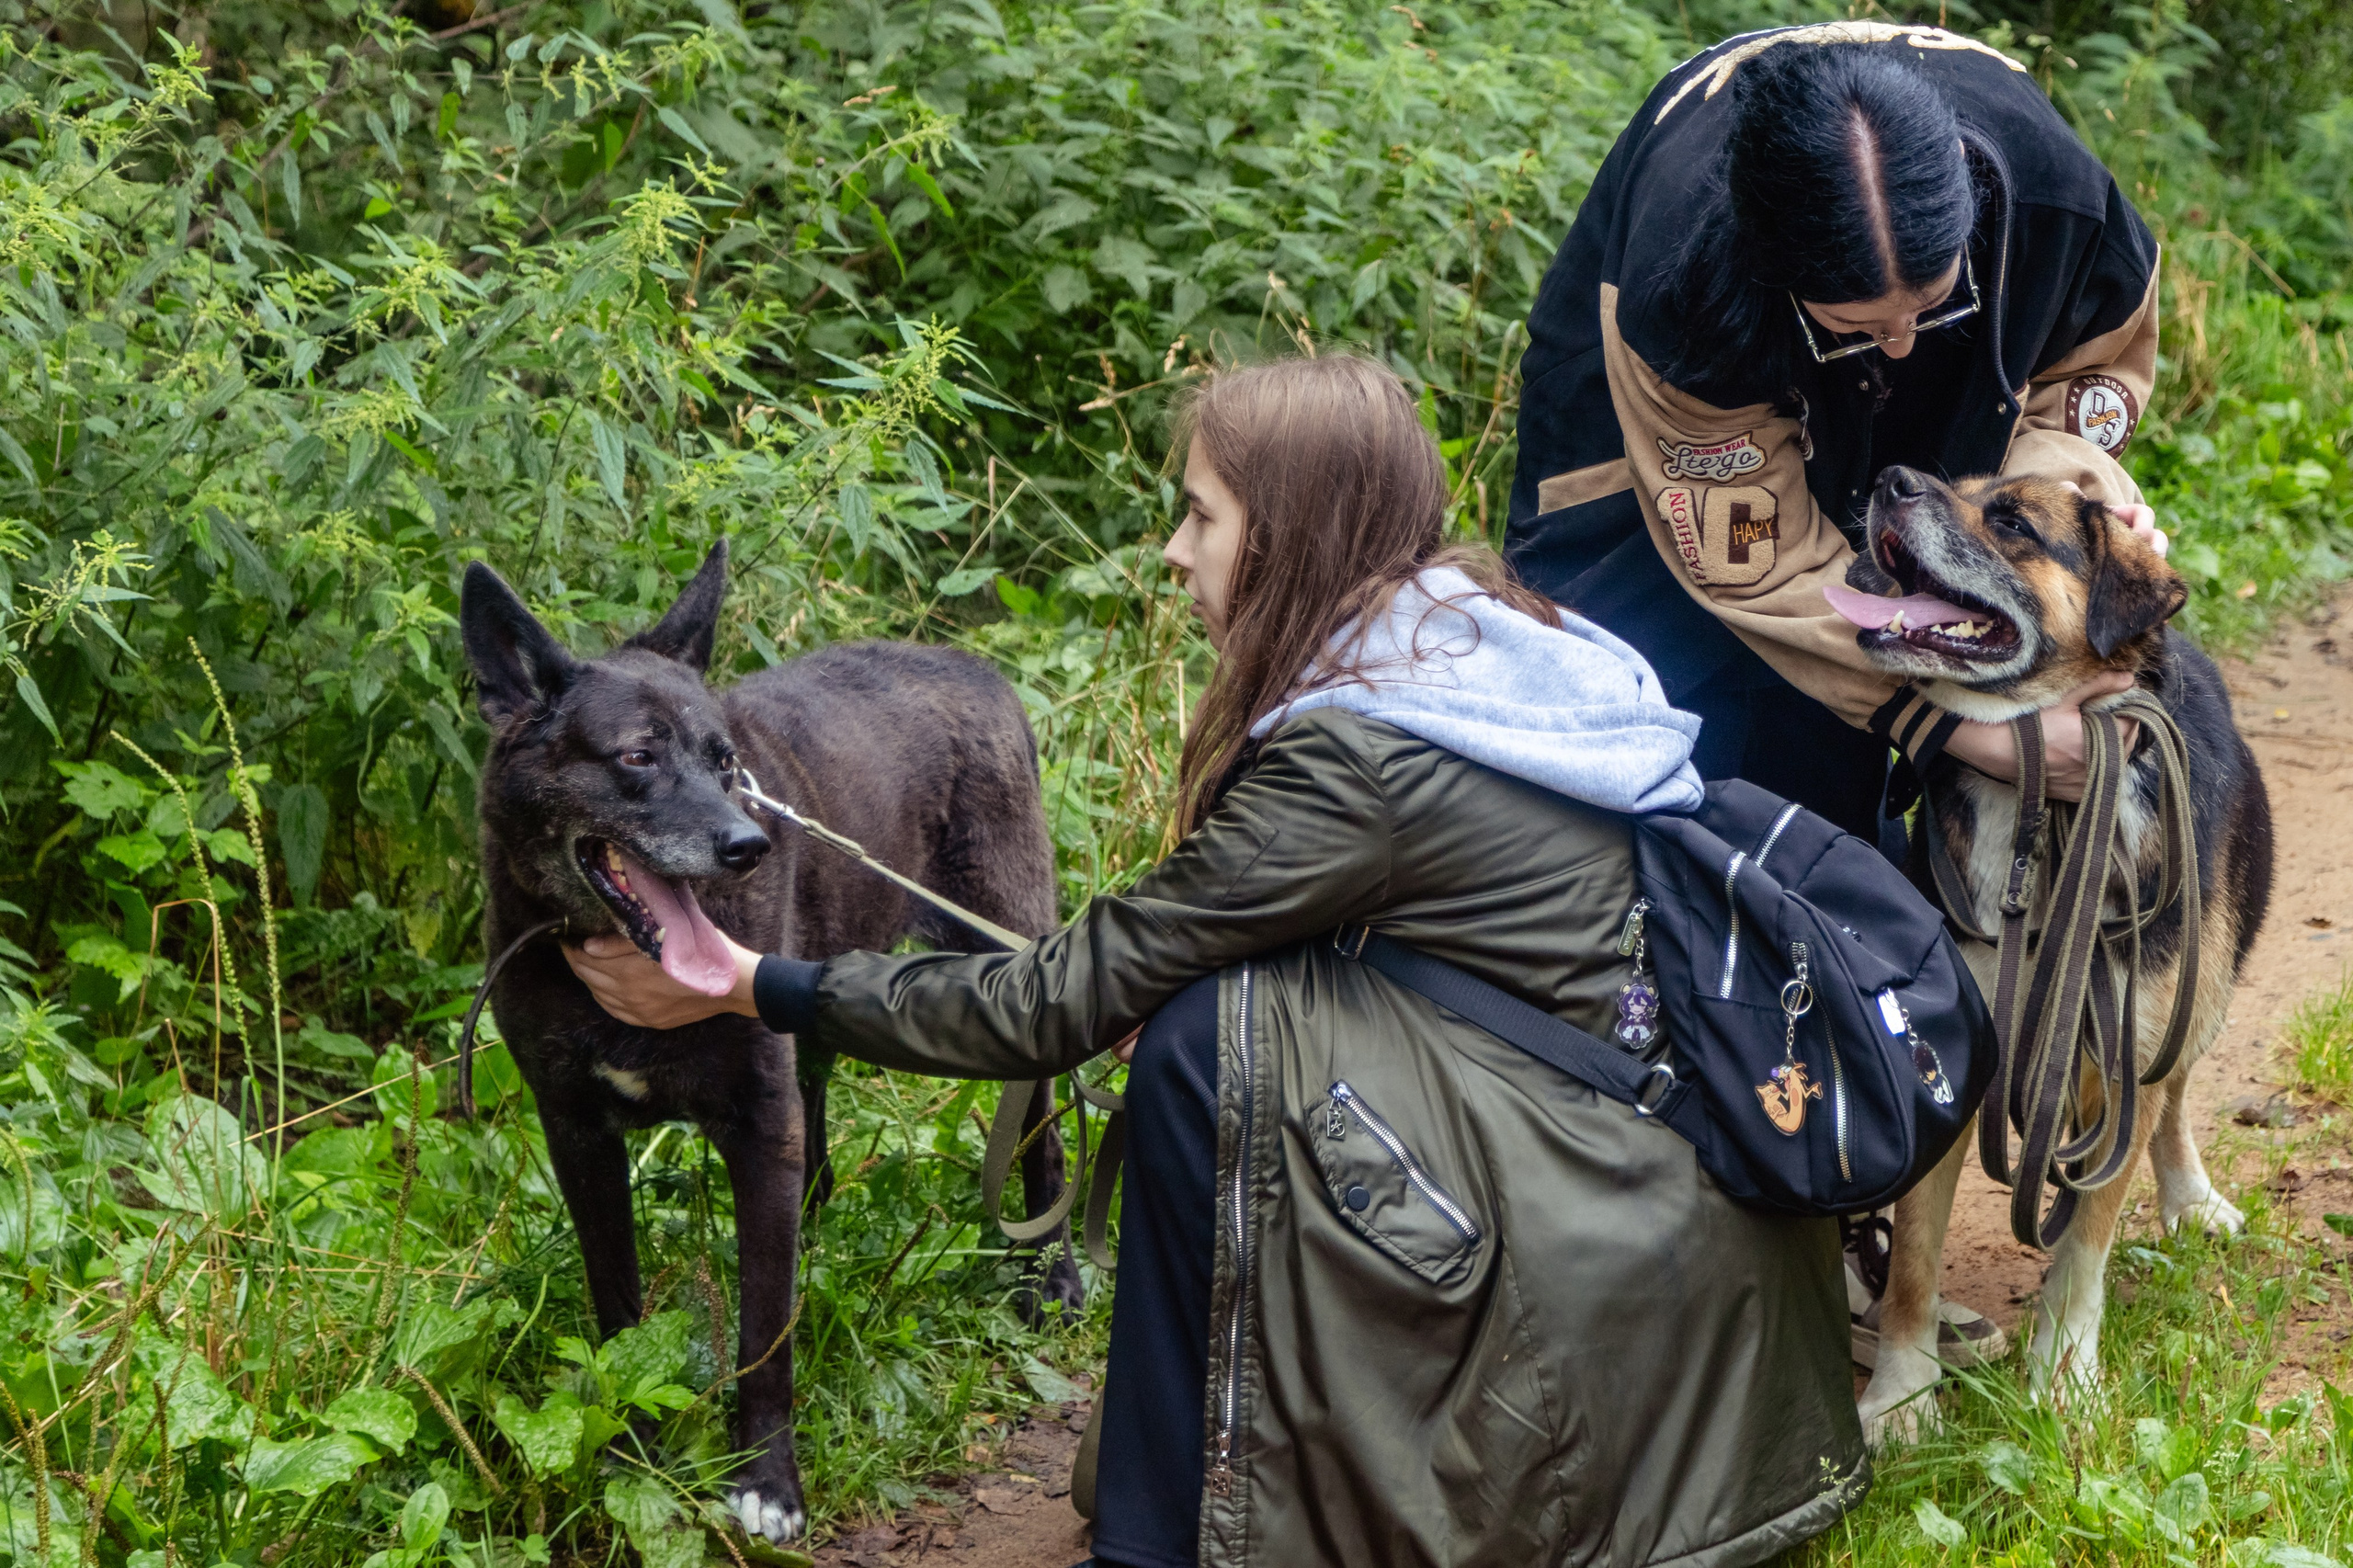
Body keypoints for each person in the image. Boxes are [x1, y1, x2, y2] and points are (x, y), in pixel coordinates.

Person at [569, 355, 1868, 1568]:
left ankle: (1155, 1532)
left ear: (1290, 535)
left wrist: (752, 982)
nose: (1174, 549)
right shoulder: (1467, 640)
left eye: (1201, 515)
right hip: (1653, 1208)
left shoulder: (1354, 756)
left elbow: (1046, 1004)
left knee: (1202, 1048)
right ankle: (1185, 1475)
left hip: (1619, 1290)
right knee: (1207, 1010)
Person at [1503, 20, 2173, 1373]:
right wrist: (1955, 716)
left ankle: (1850, 1161)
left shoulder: (2051, 200)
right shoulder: (1695, 272)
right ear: (1782, 271)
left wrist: (2051, 514)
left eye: (1932, 302)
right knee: (1702, 784)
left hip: (1940, 450)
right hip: (1667, 488)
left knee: (1871, 814)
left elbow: (2088, 378)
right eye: (1867, 324)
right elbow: (1761, 569)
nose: (1907, 337)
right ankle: (1668, 1212)